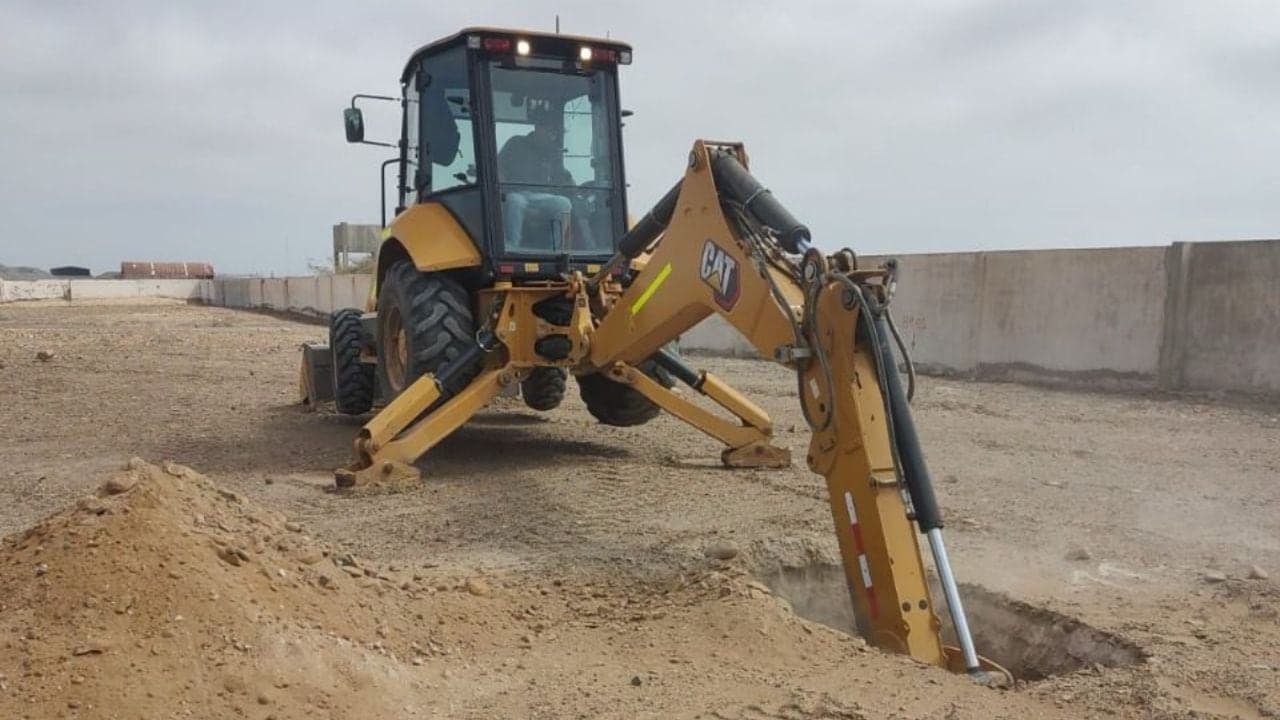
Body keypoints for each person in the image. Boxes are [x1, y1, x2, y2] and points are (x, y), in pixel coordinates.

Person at [498, 101, 574, 250]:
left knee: (564, 203)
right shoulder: (516, 143)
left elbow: (563, 177)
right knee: (515, 202)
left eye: (554, 133)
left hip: (540, 197)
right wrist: (503, 190)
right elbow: (498, 166)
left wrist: (571, 183)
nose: (551, 136)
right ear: (538, 128)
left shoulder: (552, 152)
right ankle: (512, 246)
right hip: (515, 193)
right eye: (549, 132)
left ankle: (560, 249)